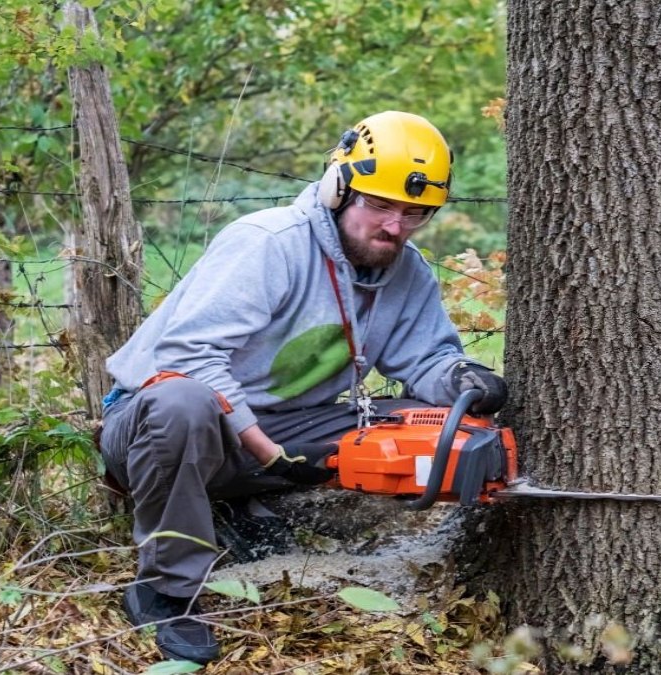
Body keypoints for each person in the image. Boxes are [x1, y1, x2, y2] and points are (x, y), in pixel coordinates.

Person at [98, 111, 507, 664]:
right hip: (158, 424)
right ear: (339, 188)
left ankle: (240, 506)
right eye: (380, 205)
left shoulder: (407, 271)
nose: (395, 226)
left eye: (414, 213)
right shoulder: (269, 243)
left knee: (423, 423)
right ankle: (166, 590)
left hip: (281, 428)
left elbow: (427, 356)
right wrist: (268, 452)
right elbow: (186, 357)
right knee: (183, 402)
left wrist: (461, 379)